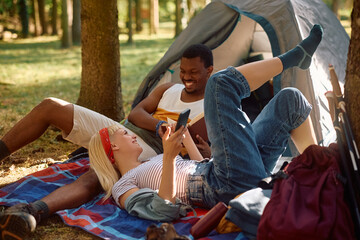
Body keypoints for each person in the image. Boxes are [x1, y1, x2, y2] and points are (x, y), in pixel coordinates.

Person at [82, 25, 322, 221]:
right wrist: (168, 157)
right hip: (226, 184)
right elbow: (161, 210)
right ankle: (294, 58)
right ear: (112, 147)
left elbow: (198, 166)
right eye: (123, 134)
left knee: (290, 100)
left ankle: (323, 172)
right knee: (219, 84)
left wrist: (183, 138)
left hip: (226, 171)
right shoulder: (123, 186)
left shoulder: (148, 161)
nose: (130, 134)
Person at [0, 44, 214, 238]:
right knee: (51, 107)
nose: (186, 77)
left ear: (210, 71)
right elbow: (135, 114)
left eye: (194, 72)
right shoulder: (168, 89)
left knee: (99, 176)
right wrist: (158, 126)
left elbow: (199, 153)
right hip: (122, 132)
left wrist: (207, 152)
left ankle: (32, 212)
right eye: (183, 71)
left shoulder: (211, 107)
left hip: (150, 152)